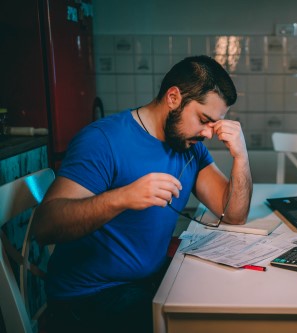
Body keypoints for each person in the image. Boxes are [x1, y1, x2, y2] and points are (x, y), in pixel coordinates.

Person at [33, 55, 253, 333]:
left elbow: (233, 213)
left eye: (215, 124)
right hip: (90, 298)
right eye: (203, 119)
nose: (208, 133)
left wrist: (241, 157)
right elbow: (45, 227)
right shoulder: (102, 140)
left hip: (148, 281)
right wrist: (123, 197)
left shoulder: (188, 145)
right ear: (173, 97)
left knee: (225, 304)